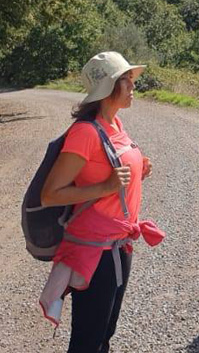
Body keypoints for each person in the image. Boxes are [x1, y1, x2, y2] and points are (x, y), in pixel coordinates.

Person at [39, 51, 165, 353]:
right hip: (94, 252)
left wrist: (137, 173)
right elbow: (50, 194)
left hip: (119, 245)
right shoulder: (85, 132)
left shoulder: (115, 124)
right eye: (126, 80)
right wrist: (105, 186)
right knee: (88, 339)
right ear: (109, 87)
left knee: (104, 333)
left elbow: (110, 177)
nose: (133, 85)